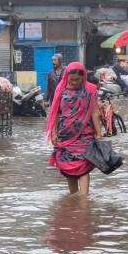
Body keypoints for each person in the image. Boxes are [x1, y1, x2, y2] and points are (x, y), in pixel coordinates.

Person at [46, 62, 103, 195]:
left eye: (78, 79)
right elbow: (55, 113)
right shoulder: (61, 90)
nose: (75, 82)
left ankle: (84, 200)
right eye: (72, 79)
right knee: (68, 169)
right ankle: (73, 197)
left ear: (83, 78)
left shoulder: (90, 90)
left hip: (85, 134)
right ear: (67, 77)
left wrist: (99, 133)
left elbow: (95, 112)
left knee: (83, 167)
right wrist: (54, 133)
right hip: (65, 134)